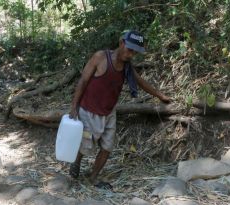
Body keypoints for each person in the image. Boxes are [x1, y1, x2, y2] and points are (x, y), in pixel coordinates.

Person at [69, 30, 171, 189]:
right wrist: (74, 106)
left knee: (107, 147)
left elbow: (141, 82)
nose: (131, 55)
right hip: (89, 111)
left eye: (134, 52)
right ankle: (76, 162)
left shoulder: (127, 67)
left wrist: (160, 95)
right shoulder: (100, 57)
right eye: (129, 49)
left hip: (109, 112)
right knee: (85, 144)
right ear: (121, 43)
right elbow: (83, 81)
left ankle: (93, 177)